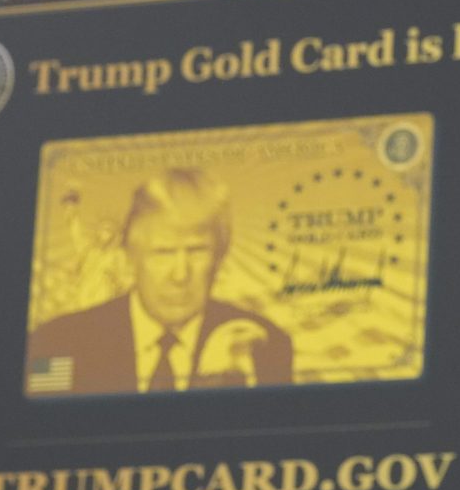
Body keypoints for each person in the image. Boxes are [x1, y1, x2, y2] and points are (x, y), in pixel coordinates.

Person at [26, 168, 292, 395]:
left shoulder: (265, 345)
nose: (179, 275)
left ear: (220, 257)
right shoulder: (59, 342)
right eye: (163, 252)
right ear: (131, 256)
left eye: (197, 251)